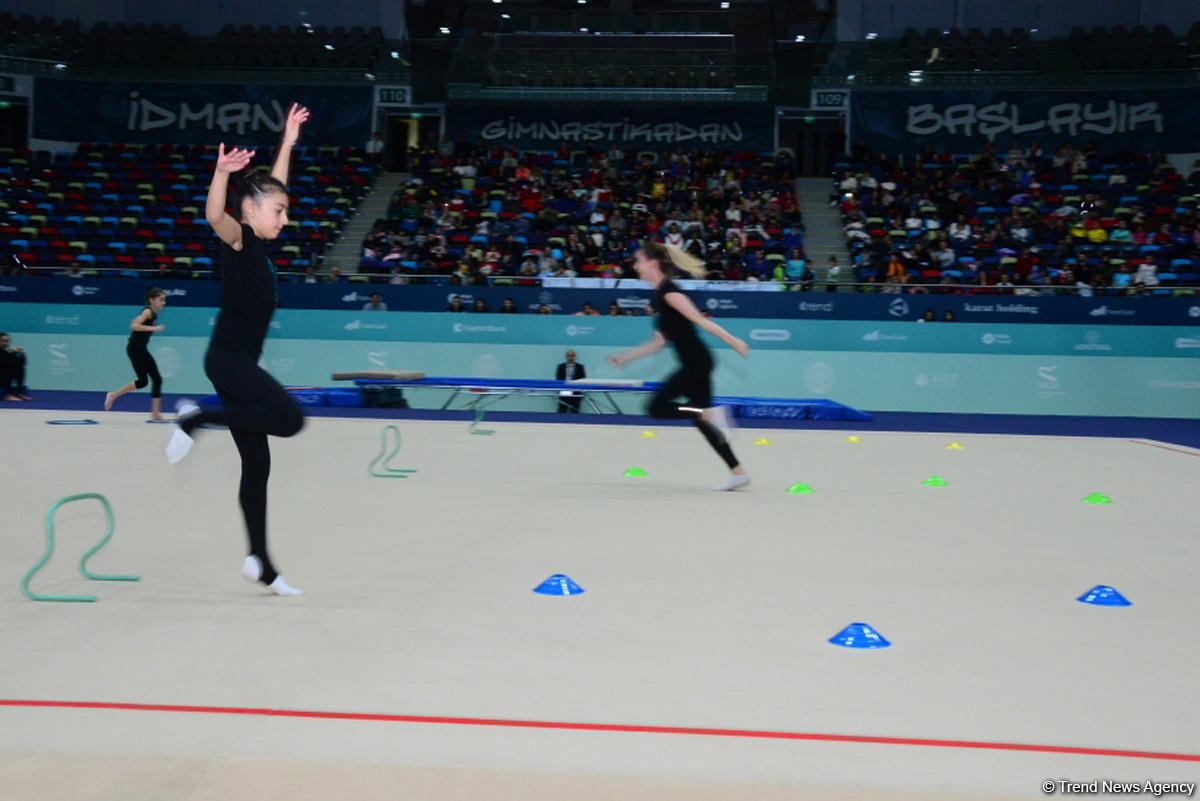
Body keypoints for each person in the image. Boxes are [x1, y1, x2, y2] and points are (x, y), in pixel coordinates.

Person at [164, 102, 311, 597]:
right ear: (250, 212)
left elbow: (273, 186)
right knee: (291, 419)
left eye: (285, 211)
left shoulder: (261, 241)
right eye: (279, 212)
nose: (285, 219)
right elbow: (214, 215)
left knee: (257, 467)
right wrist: (220, 175)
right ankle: (195, 418)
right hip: (227, 362)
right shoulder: (239, 239)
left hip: (237, 363)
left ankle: (261, 563)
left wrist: (287, 140)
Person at [606, 242, 750, 491]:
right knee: (702, 422)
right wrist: (626, 357)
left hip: (697, 362)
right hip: (696, 362)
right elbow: (658, 342)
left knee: (656, 406)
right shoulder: (659, 296)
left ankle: (709, 414)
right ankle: (738, 472)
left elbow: (700, 321)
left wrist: (734, 341)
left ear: (652, 264)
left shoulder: (670, 293)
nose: (636, 267)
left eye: (638, 261)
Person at [103, 287, 168, 420]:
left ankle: (155, 413)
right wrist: (154, 328)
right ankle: (112, 395)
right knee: (143, 381)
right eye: (161, 299)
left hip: (141, 349)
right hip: (134, 349)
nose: (164, 302)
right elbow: (134, 325)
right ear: (151, 300)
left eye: (164, 300)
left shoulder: (153, 313)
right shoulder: (147, 312)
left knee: (157, 379)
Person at [0, 332, 31, 401]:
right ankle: (7, 395)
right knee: (7, 369)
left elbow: (22, 363)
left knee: (21, 369)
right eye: (3, 341)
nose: (6, 344)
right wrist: (13, 354)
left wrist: (21, 354)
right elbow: (5, 362)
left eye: (7, 341)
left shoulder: (6, 352)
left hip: (3, 376)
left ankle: (19, 393)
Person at [555, 349, 586, 413]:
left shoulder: (580, 367)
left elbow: (583, 379)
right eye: (569, 356)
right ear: (566, 356)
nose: (570, 357)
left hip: (575, 391)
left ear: (575, 357)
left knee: (575, 411)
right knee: (562, 410)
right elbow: (558, 379)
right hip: (564, 390)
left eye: (572, 356)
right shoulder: (560, 367)